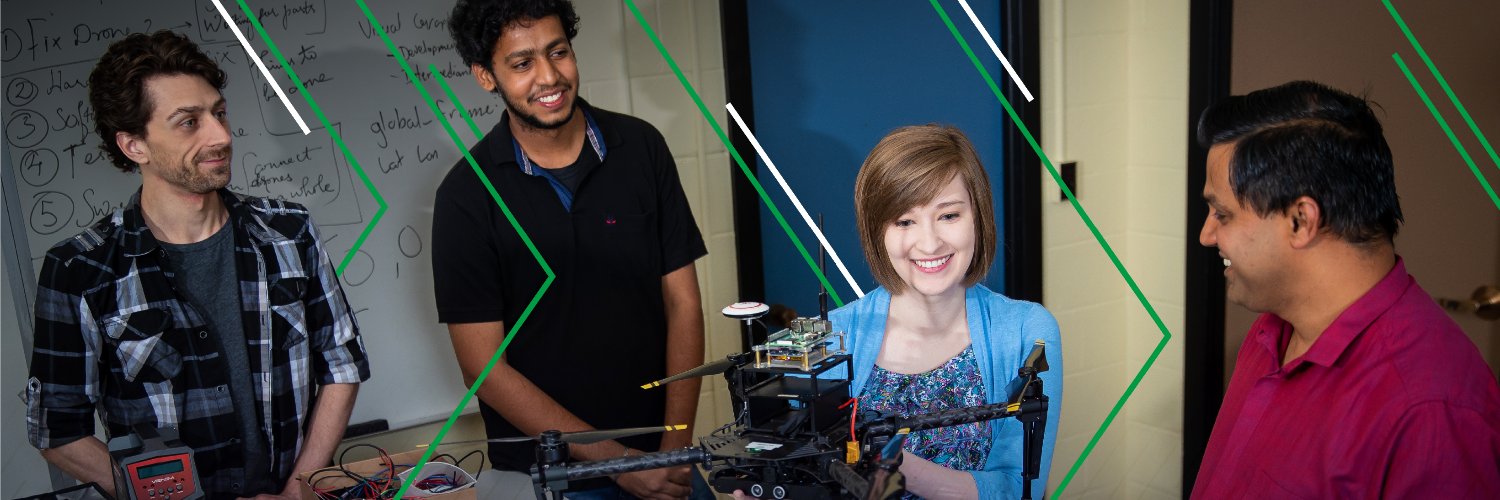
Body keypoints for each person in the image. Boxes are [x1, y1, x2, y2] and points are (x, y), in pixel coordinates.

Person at [25, 31, 370, 499]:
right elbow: (59, 429)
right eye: (189, 122)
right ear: (134, 145)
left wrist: (299, 490)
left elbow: (341, 362)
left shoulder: (288, 231)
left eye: (219, 113)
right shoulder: (81, 269)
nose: (221, 136)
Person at [433, 0, 708, 498]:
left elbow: (683, 302)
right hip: (542, 476)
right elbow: (484, 369)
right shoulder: (465, 196)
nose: (548, 77)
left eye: (557, 52)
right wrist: (618, 462)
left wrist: (673, 447)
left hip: (658, 459)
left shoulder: (642, 148)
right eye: (522, 63)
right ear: (485, 76)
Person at [1192, 80, 1500, 498]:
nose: (1206, 235)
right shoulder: (1272, 329)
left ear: (1301, 220)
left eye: (1222, 214)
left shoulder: (1430, 412)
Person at [833, 125, 1062, 499]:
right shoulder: (831, 338)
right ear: (877, 233)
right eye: (904, 221)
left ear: (978, 217)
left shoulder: (1028, 332)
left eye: (949, 215)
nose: (929, 242)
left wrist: (896, 465)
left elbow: (1020, 488)